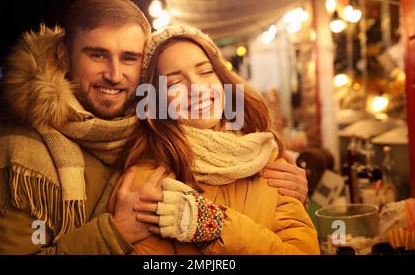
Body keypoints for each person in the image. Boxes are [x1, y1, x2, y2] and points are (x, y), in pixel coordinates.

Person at [0, 0, 309, 254]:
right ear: (64, 56)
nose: (114, 74)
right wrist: (113, 233)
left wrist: (285, 183)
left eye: (129, 58)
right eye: (97, 54)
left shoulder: (138, 132)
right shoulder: (19, 153)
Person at [104, 25, 319, 254]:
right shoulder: (148, 182)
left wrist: (218, 226)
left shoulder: (267, 157)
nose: (196, 88)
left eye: (205, 71)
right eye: (174, 83)